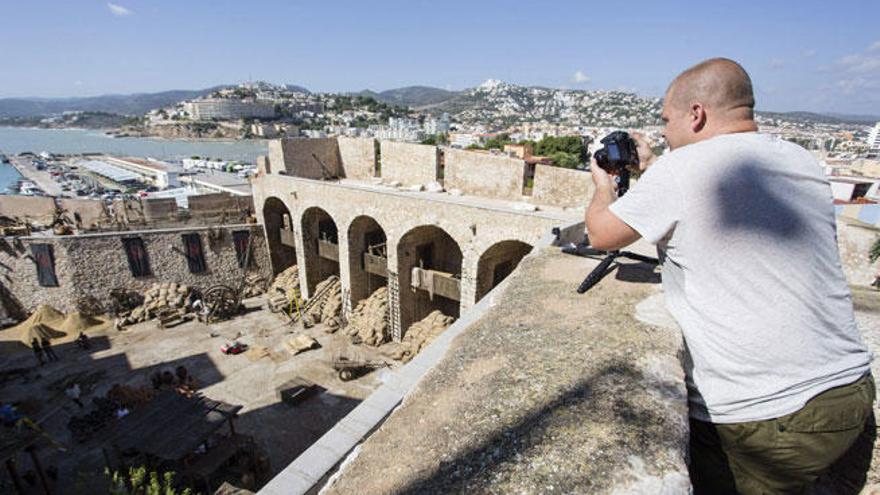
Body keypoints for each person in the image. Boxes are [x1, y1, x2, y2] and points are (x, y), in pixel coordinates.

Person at [585, 58, 874, 494]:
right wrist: (655, 169)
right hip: (850, 394)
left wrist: (602, 183)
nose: (664, 133)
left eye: (667, 120)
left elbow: (602, 234)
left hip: (768, 414)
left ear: (696, 114)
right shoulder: (801, 160)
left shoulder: (680, 171)